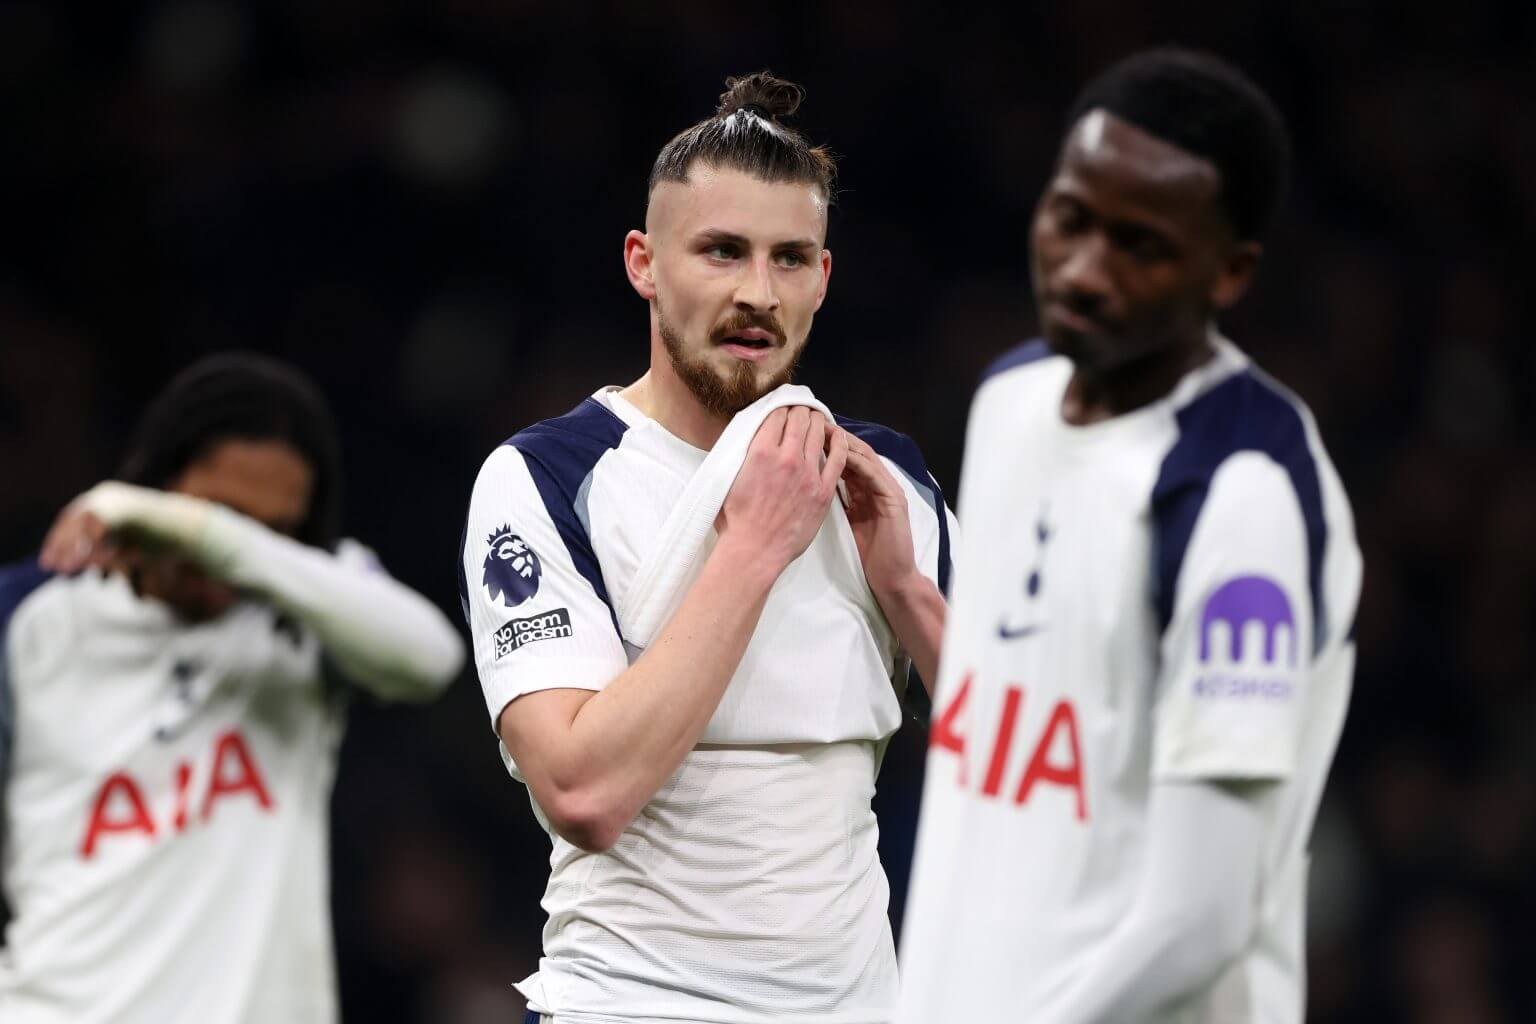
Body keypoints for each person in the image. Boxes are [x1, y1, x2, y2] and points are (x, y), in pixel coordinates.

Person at [459, 72, 952, 1024]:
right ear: (644, 263)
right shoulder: (546, 478)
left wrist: (908, 592)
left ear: (823, 278)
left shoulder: (884, 480)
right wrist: (753, 548)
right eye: (722, 251)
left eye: (789, 258)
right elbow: (582, 792)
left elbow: (1025, 773)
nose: (757, 294)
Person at [895, 49, 1363, 1023]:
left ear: (1230, 272)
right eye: (1072, 218)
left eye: (1141, 245)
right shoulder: (1010, 403)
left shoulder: (1239, 496)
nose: (1086, 269)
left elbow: (1200, 919)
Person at [0, 354, 465, 1023]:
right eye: (220, 513)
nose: (232, 555)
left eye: (274, 532)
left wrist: (217, 537)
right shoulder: (28, 617)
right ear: (158, 484)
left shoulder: (307, 610)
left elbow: (430, 659)